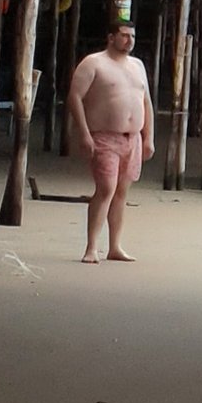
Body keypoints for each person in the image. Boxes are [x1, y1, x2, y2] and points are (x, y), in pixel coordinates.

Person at [67, 17, 155, 264]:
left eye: (133, 36)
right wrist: (83, 132)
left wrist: (149, 136)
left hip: (132, 138)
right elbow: (75, 97)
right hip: (105, 136)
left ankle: (115, 246)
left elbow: (145, 102)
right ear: (111, 37)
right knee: (106, 188)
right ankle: (91, 247)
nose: (130, 41)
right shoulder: (94, 63)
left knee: (121, 192)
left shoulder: (137, 65)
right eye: (125, 35)